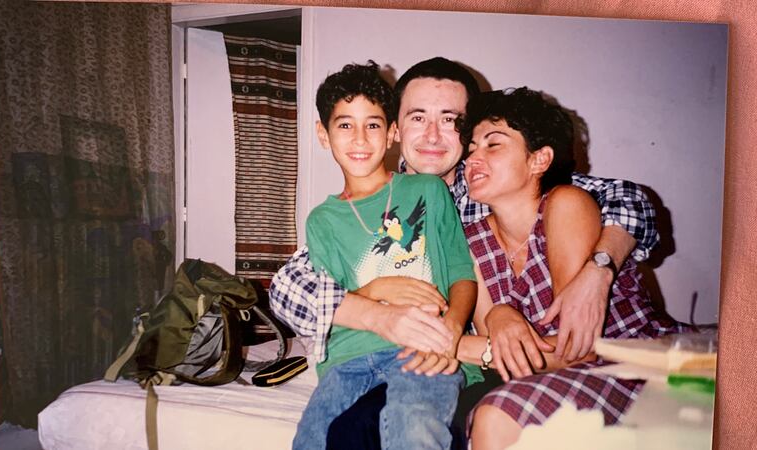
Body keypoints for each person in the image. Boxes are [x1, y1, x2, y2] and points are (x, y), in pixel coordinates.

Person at [269, 57, 662, 446]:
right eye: (418, 117)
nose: (433, 135)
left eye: (451, 120)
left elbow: (631, 200)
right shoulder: (370, 203)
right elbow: (289, 287)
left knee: (413, 422)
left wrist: (600, 267)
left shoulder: (502, 182)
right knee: (346, 430)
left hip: (470, 361)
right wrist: (372, 302)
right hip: (423, 352)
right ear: (397, 129)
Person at [458, 87, 687, 450]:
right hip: (567, 373)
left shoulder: (566, 204)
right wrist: (498, 318)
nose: (472, 159)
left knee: (496, 414)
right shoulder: (471, 238)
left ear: (539, 160)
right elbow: (500, 354)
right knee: (491, 411)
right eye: (471, 148)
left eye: (493, 144)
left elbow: (575, 350)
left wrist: (449, 344)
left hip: (632, 363)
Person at [291, 61, 479, 450]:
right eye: (345, 125)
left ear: (392, 132)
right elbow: (331, 305)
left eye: (372, 124)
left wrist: (453, 330)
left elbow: (462, 271)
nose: (359, 138)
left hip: (423, 347)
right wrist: (376, 290)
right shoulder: (321, 221)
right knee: (311, 439)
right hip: (348, 357)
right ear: (322, 135)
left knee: (415, 427)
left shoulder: (427, 190)